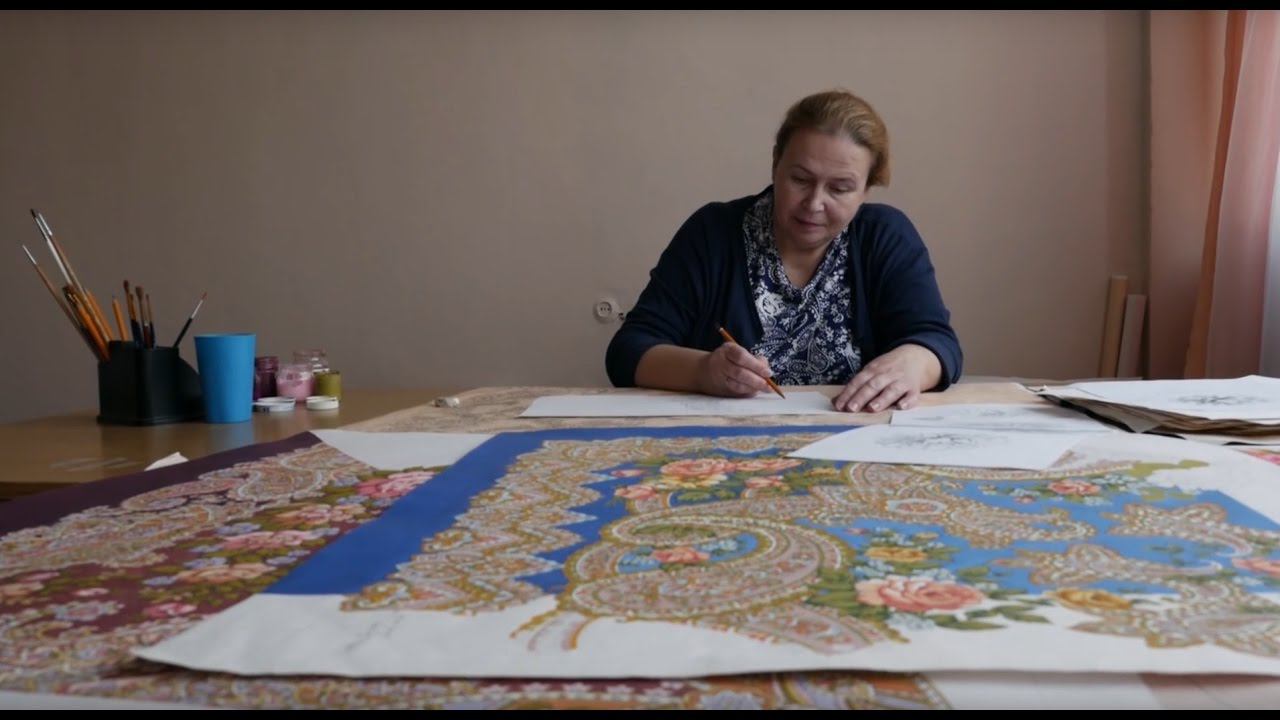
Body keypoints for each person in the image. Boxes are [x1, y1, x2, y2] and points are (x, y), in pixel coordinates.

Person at [606, 89, 961, 413]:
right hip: (726, 444)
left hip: (854, 441)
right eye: (800, 180)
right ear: (776, 164)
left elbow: (937, 341)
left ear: (866, 190)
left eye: (840, 188)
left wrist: (915, 362)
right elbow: (629, 350)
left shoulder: (884, 236)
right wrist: (702, 371)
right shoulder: (713, 233)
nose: (814, 203)